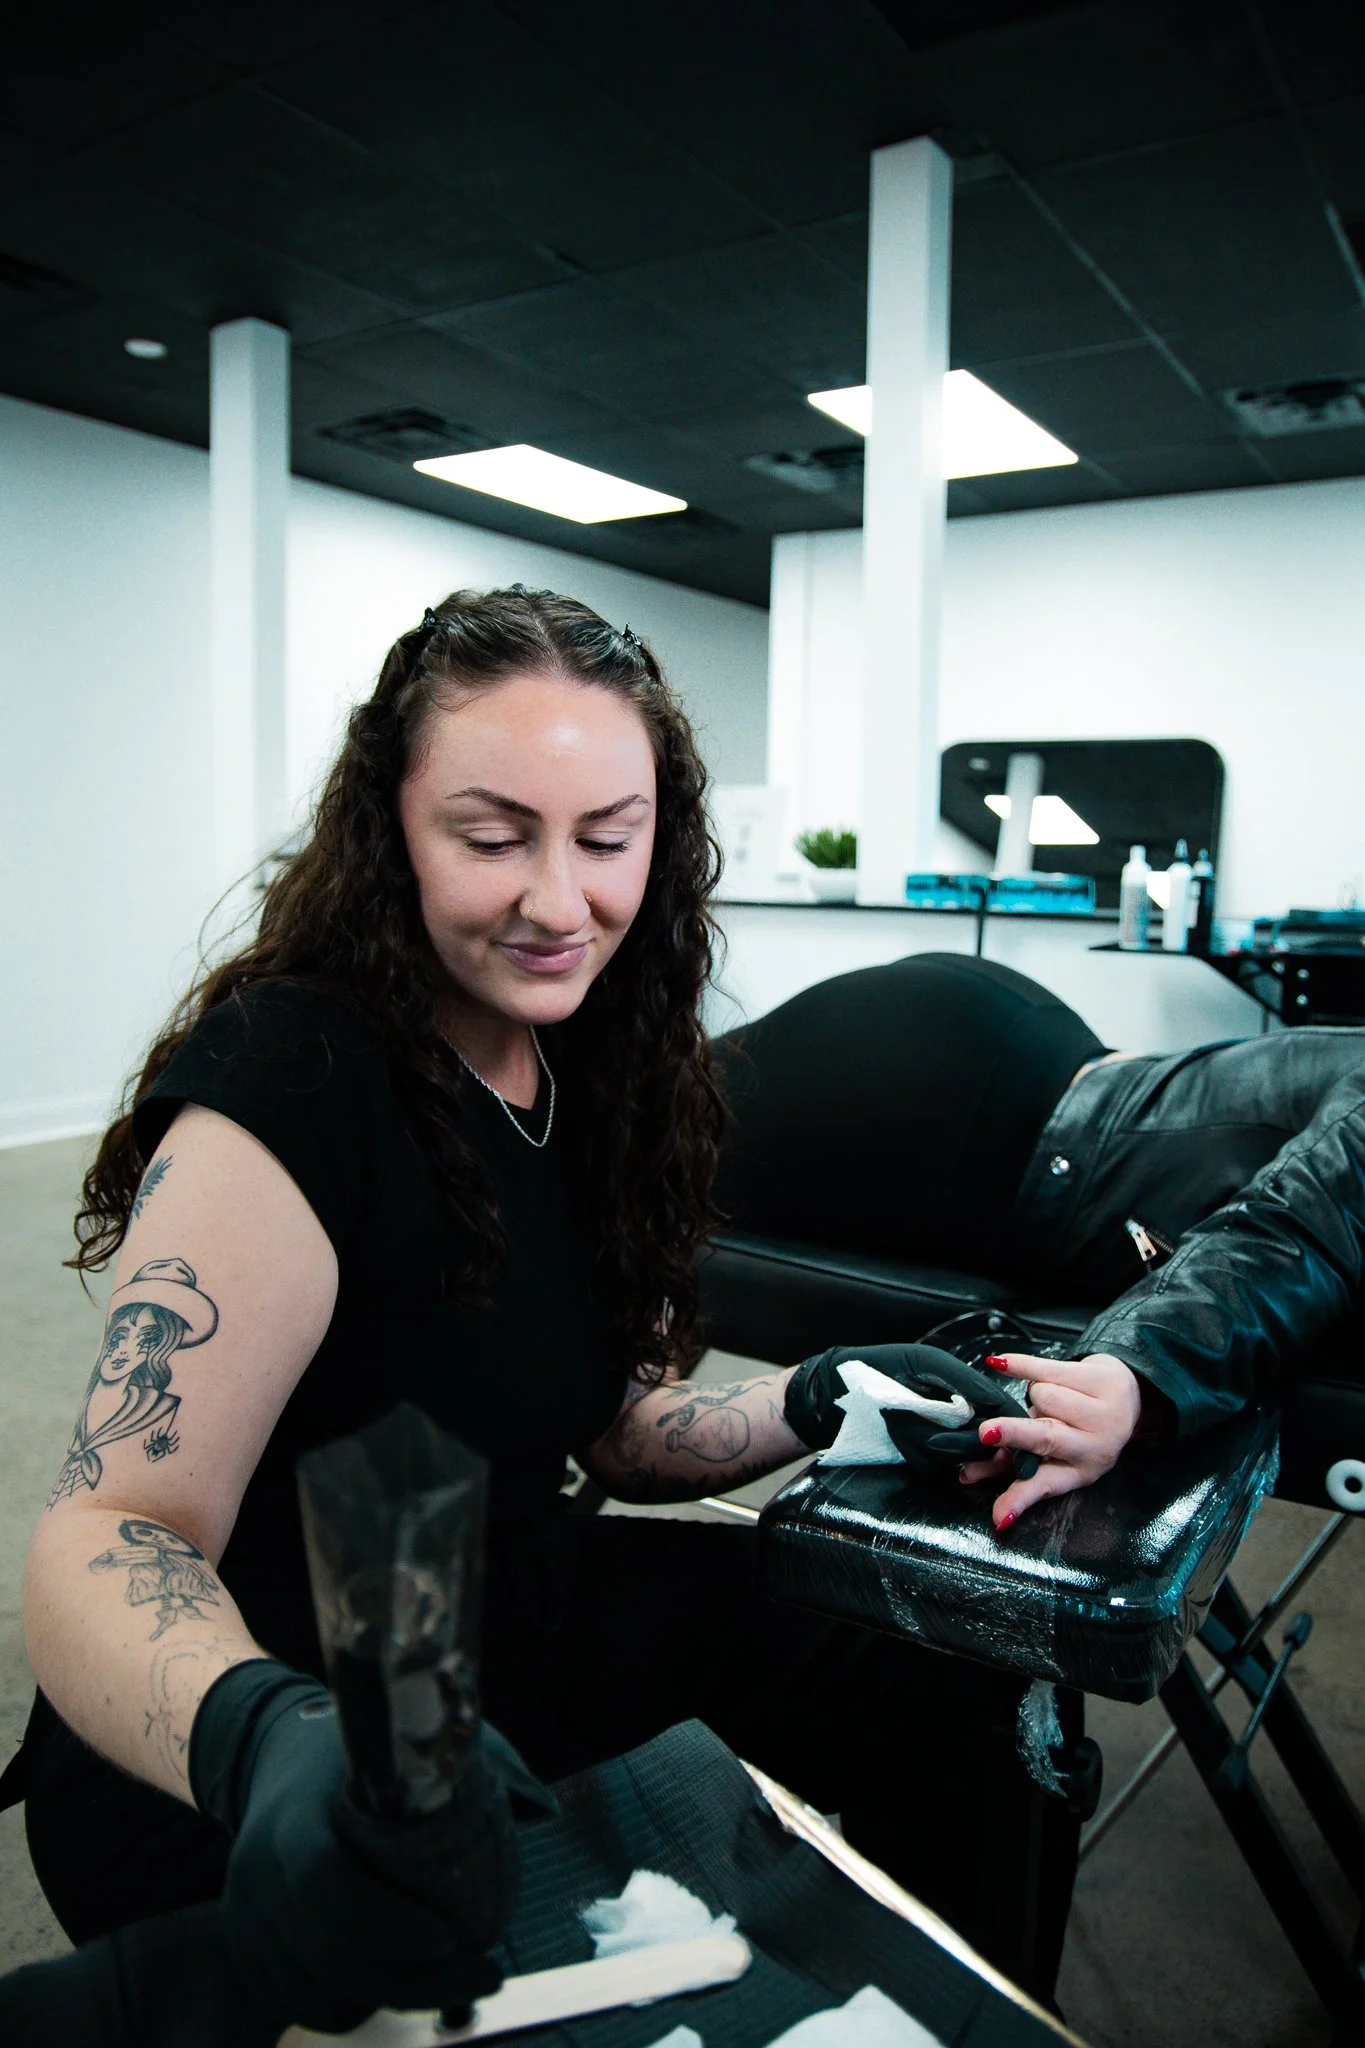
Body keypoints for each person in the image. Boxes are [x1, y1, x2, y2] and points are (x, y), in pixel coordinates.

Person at [9, 588, 1107, 2026]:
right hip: (286, 1708)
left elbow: (613, 1432)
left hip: (507, 1611)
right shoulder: (296, 1082)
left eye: (605, 839)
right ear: (389, 829)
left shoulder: (590, 1065)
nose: (557, 900)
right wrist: (266, 1739)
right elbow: (110, 1533)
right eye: (490, 836)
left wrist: (811, 1401)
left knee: (945, 1658)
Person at [713, 952, 1365, 1523]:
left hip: (1001, 1068)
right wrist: (1140, 1369)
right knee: (631, 1111)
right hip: (958, 1105)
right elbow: (1297, 1224)